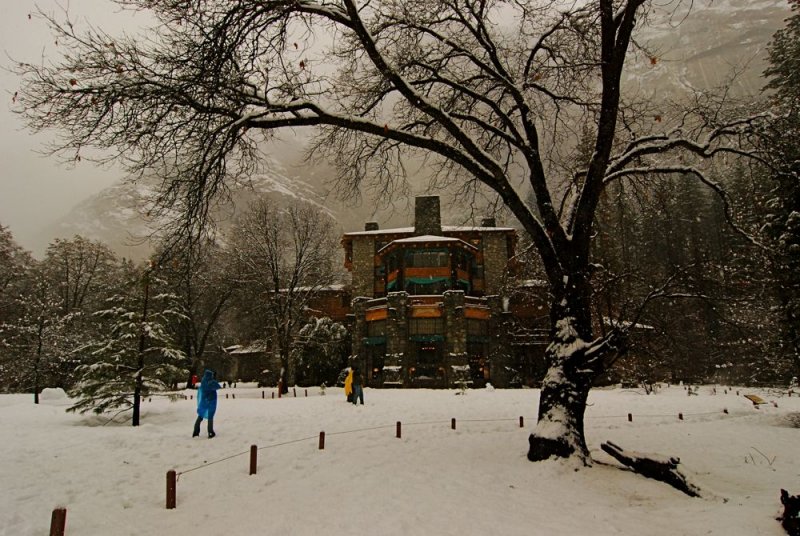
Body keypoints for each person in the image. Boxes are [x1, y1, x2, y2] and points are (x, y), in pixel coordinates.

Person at [193, 369, 221, 438]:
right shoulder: (211, 382)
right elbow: (218, 386)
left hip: (203, 401)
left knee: (200, 416)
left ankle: (195, 432)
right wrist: (214, 379)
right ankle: (210, 432)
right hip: (211, 401)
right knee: (210, 417)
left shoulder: (203, 381)